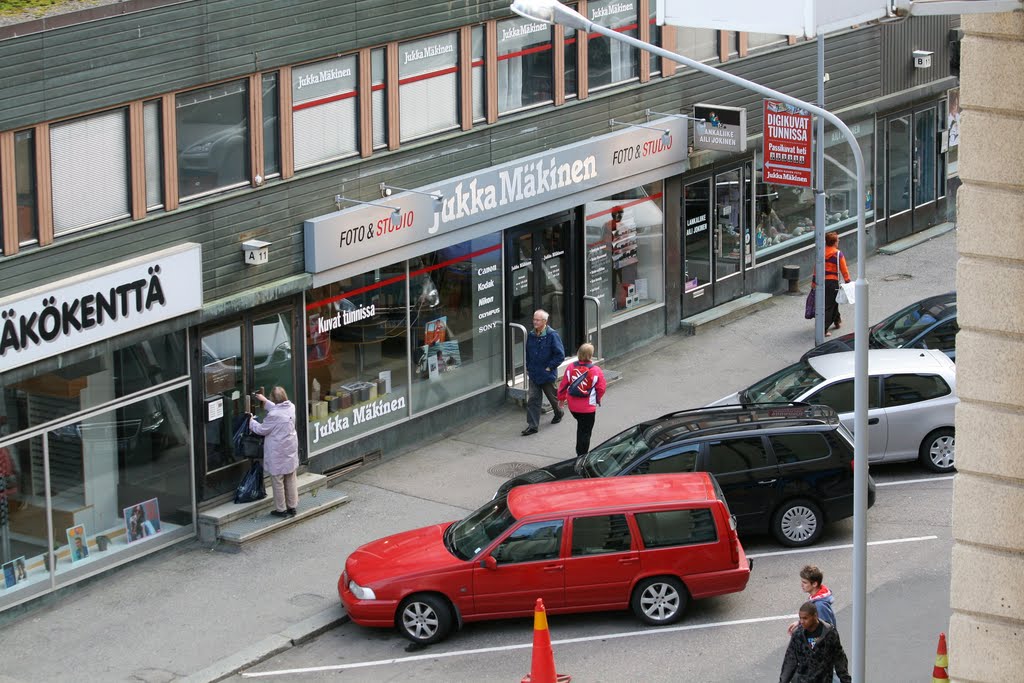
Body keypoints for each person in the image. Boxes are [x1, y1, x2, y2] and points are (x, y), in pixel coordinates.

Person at [249, 386, 300, 518]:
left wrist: (250, 421)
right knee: (290, 478)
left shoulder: (273, 415)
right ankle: (292, 506)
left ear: (273, 398)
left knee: (278, 481)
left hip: (277, 451)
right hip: (290, 448)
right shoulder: (291, 407)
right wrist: (265, 401)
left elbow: (261, 430)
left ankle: (281, 509)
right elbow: (278, 409)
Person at [780, 602, 852, 683]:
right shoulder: (798, 635)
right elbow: (790, 661)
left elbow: (839, 658)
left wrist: (845, 679)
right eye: (800, 618)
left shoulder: (829, 633)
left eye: (805, 618)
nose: (802, 621)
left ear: (815, 616)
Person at [557, 343, 607, 457]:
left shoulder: (570, 367)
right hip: (587, 408)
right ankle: (582, 455)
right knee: (585, 432)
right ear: (590, 355)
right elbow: (601, 388)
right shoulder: (596, 370)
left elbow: (563, 385)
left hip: (573, 407)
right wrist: (597, 399)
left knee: (581, 425)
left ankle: (580, 451)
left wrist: (561, 400)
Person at [522, 309, 565, 436]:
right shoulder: (531, 335)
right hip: (534, 373)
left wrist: (549, 367)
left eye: (537, 320)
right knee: (533, 399)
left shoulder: (552, 335)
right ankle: (532, 425)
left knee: (552, 398)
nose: (534, 322)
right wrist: (529, 367)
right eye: (534, 319)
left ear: (544, 321)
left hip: (547, 374)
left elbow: (560, 355)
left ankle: (559, 412)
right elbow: (528, 352)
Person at [811, 231, 851, 337]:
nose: (838, 241)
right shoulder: (838, 254)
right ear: (834, 242)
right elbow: (844, 269)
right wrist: (847, 280)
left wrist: (814, 282)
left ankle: (837, 321)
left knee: (833, 302)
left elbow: (816, 268)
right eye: (837, 240)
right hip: (832, 282)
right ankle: (823, 329)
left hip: (821, 281)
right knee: (830, 305)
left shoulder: (821, 253)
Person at [788, 565, 836, 635]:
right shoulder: (815, 598)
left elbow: (826, 632)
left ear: (814, 584)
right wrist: (799, 623)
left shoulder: (820, 606)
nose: (802, 585)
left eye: (805, 582)